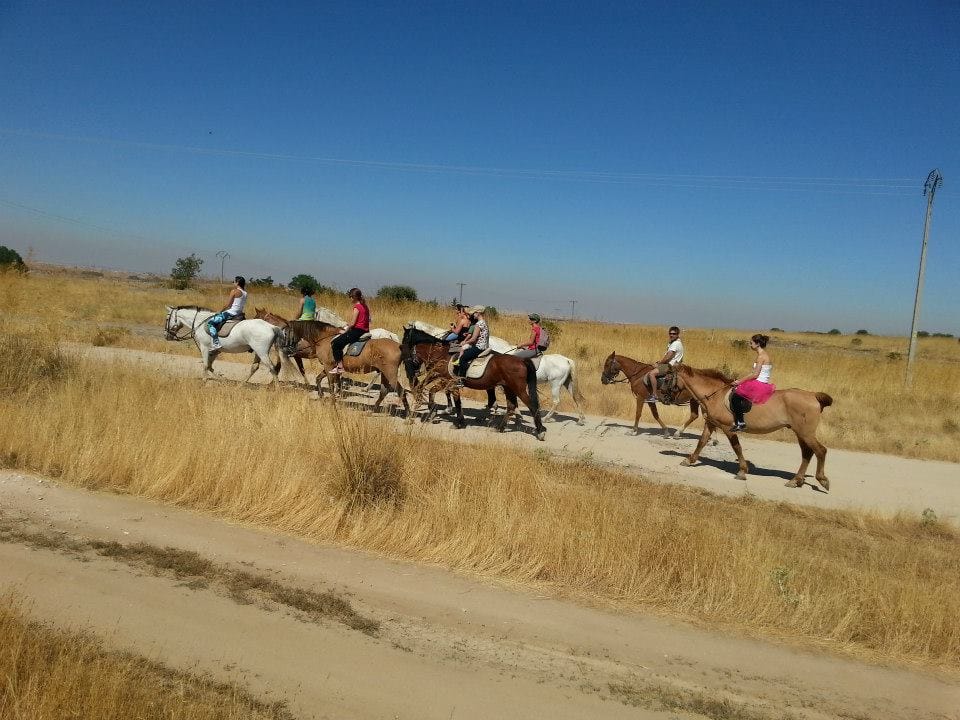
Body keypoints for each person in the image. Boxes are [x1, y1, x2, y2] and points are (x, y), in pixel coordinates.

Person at [729, 334, 775, 432]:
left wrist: (739, 382)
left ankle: (740, 423)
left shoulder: (761, 356)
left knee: (736, 397)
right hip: (760, 381)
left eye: (751, 343)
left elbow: (755, 374)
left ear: (757, 344)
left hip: (759, 383)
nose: (750, 345)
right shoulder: (762, 355)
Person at [329, 288, 370, 374]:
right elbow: (367, 320)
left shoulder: (357, 307)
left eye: (351, 296)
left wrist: (345, 330)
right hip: (365, 330)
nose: (350, 298)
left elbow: (353, 323)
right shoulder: (365, 306)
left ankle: (340, 367)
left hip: (357, 331)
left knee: (336, 343)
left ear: (354, 297)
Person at [643, 326, 684, 403]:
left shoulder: (675, 344)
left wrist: (659, 364)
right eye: (670, 333)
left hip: (670, 366)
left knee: (652, 374)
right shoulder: (674, 343)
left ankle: (654, 396)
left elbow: (668, 357)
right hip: (671, 365)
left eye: (674, 334)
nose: (671, 335)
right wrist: (660, 362)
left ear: (678, 334)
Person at [207, 276, 247, 351]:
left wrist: (220, 311)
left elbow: (228, 305)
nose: (233, 283)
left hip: (231, 313)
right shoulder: (245, 293)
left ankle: (216, 344)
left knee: (210, 323)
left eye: (234, 282)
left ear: (237, 283)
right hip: (239, 313)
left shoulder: (234, 291)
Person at [454, 306, 489, 386]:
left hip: (479, 347)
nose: (473, 315)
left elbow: (473, 339)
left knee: (463, 358)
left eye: (474, 313)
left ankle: (461, 380)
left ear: (478, 313)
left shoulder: (478, 324)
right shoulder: (484, 322)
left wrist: (465, 342)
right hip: (485, 346)